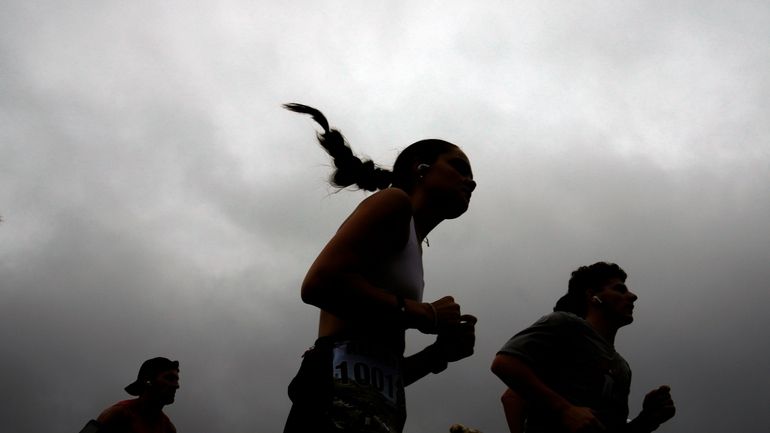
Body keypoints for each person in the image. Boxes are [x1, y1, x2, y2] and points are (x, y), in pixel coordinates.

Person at [282, 103, 478, 433]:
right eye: (459, 168)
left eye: (471, 177)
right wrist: (425, 314)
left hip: (375, 410)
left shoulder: (414, 246)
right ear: (421, 169)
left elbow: (380, 368)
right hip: (332, 400)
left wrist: (437, 354)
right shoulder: (394, 202)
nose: (470, 182)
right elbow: (319, 284)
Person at [491, 262, 676, 433]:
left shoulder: (623, 368)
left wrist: (646, 420)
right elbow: (504, 364)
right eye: (619, 289)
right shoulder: (565, 324)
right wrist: (565, 410)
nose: (633, 296)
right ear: (592, 297)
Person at [95, 357, 179, 433]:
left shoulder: (168, 428)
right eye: (169, 378)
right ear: (148, 381)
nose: (176, 385)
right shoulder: (118, 415)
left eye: (176, 380)